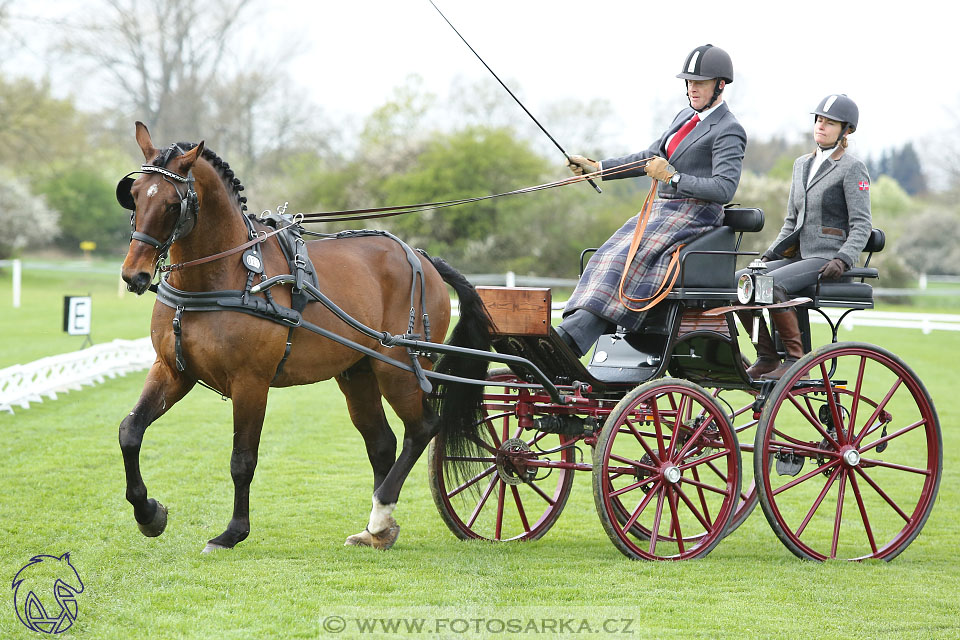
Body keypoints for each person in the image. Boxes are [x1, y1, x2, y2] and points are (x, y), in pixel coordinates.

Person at [559, 44, 747, 356]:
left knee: (629, 259)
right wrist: (599, 168)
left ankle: (575, 337)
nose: (692, 88)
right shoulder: (684, 116)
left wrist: (673, 178)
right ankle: (573, 324)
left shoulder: (729, 129)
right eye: (689, 82)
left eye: (700, 82)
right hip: (664, 210)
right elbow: (651, 158)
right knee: (606, 255)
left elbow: (724, 188)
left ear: (720, 85)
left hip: (696, 215)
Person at [738, 94, 872, 380]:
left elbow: (861, 224)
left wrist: (843, 258)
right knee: (743, 281)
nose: (821, 126)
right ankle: (766, 355)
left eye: (830, 122)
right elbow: (790, 222)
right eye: (819, 120)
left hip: (828, 259)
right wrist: (769, 255)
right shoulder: (801, 165)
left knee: (772, 284)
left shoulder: (852, 168)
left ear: (846, 130)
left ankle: (797, 360)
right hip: (800, 256)